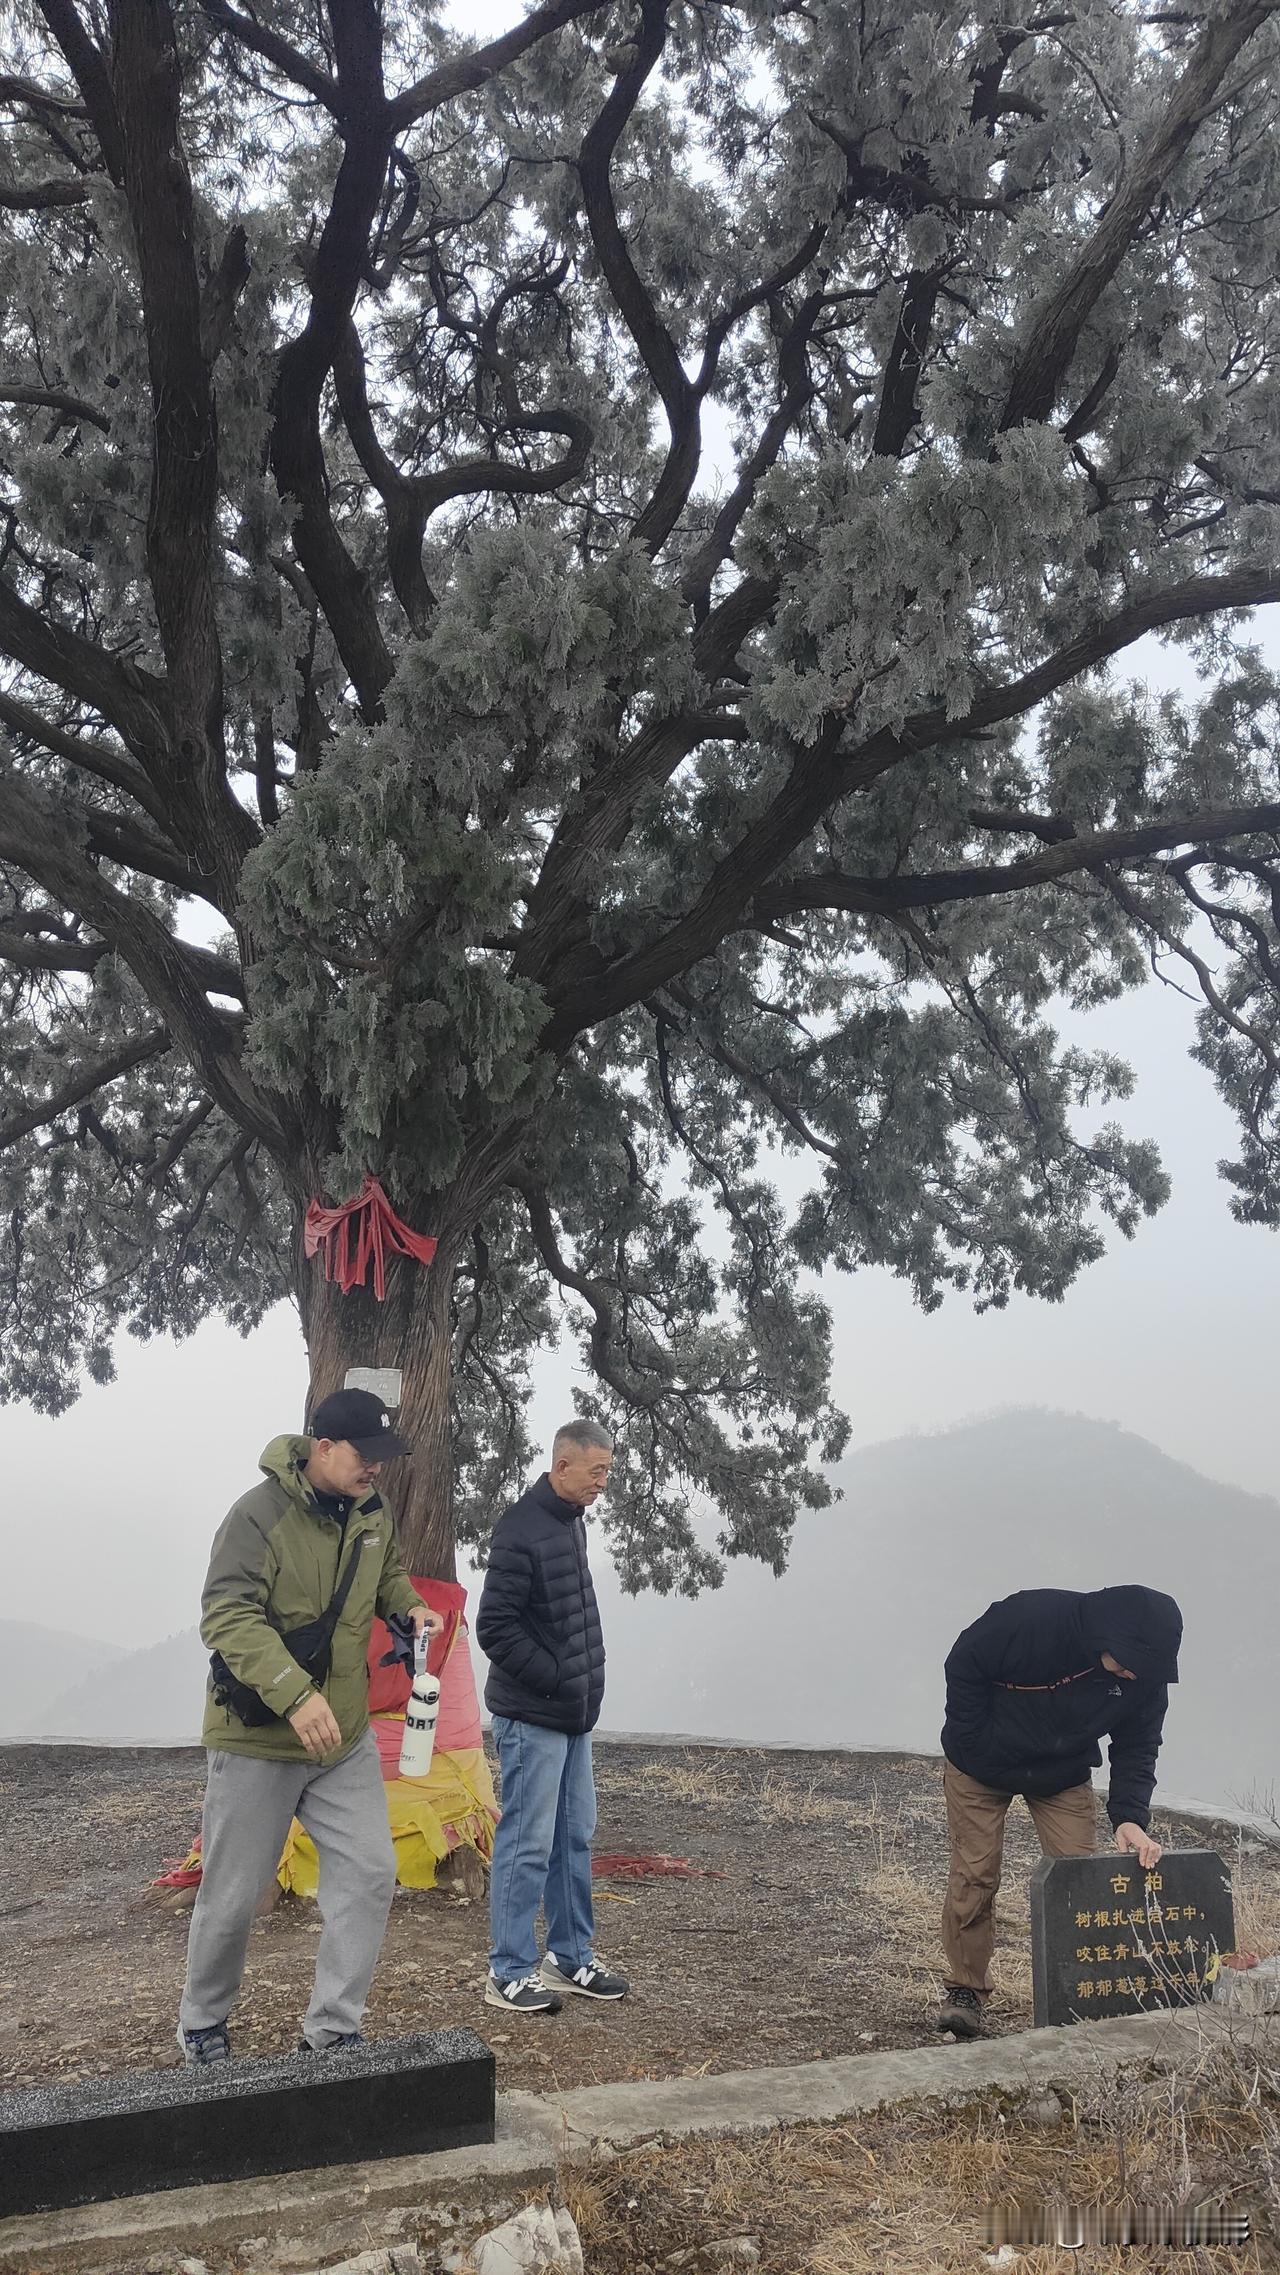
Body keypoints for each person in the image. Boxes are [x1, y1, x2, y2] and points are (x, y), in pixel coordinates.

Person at [177, 1388, 441, 2064]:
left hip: (342, 1740)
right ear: (323, 1447)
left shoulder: (372, 1512)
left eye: (384, 1457)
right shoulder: (256, 1516)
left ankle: (331, 2031)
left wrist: (411, 1610)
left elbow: (388, 1579)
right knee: (234, 1896)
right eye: (365, 1455)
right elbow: (226, 1614)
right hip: (259, 1739)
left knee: (371, 1871)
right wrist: (295, 1694)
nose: (376, 1469)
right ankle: (203, 2023)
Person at [936, 1583, 1183, 2038]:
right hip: (979, 1766)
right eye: (1127, 1665)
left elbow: (1138, 1745)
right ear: (1108, 1637)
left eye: (1143, 1670)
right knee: (976, 1872)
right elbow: (963, 1664)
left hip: (1061, 1772)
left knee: (1078, 1879)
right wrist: (975, 1744)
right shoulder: (1030, 1619)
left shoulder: (1144, 1676)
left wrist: (1129, 1816)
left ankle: (1081, 1992)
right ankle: (965, 1991)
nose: (1133, 1676)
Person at [476, 1419, 629, 2015]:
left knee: (574, 1835)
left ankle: (569, 1957)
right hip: (532, 1715)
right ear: (561, 1466)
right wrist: (559, 1677)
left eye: (608, 1472)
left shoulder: (571, 1523)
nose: (603, 1484)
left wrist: (581, 1686)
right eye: (596, 1472)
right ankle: (508, 1969)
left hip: (573, 1716)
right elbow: (496, 1628)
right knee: (528, 1841)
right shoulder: (519, 1529)